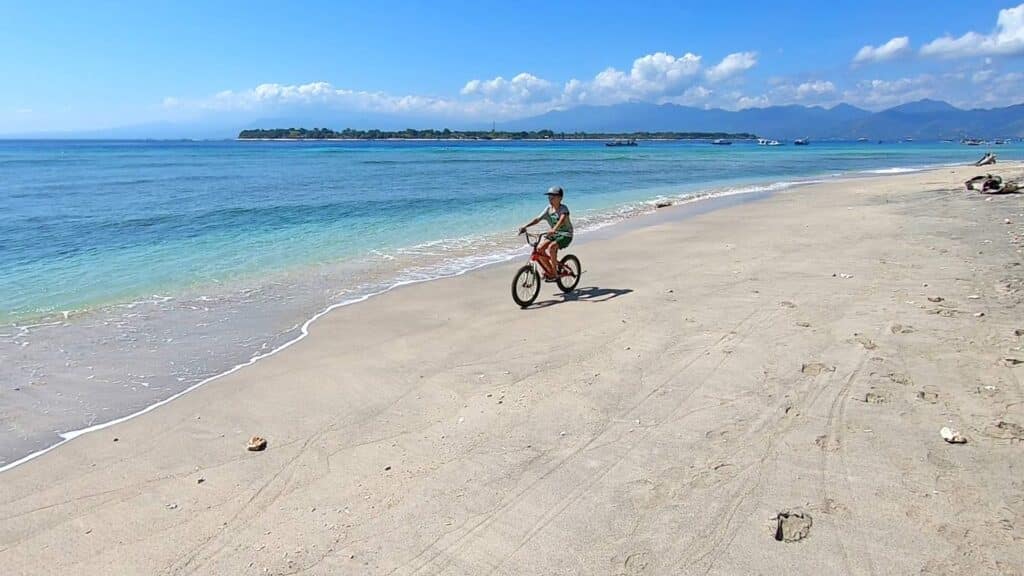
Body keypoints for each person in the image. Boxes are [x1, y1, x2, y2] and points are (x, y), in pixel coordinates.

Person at [518, 186, 574, 281]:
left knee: (551, 247)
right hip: (554, 234)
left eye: (553, 197)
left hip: (566, 235)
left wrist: (554, 229)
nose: (550, 199)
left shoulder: (563, 209)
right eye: (549, 197)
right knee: (539, 249)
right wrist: (525, 226)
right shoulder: (548, 209)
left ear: (560, 198)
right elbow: (537, 219)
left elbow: (562, 219)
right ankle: (550, 271)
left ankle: (555, 274)